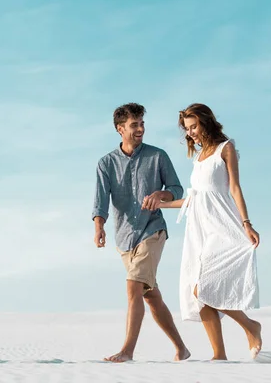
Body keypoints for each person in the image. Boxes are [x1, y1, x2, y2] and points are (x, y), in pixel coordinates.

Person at [146, 103, 262, 360]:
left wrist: (247, 223)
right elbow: (193, 199)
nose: (191, 133)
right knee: (199, 294)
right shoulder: (198, 158)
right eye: (187, 129)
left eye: (194, 126)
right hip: (199, 231)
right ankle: (219, 355)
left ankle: (250, 326)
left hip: (223, 228)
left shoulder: (225, 148)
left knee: (204, 288)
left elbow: (234, 188)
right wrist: (160, 204)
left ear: (207, 122)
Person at [92, 102, 190, 363]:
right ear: (120, 129)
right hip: (124, 238)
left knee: (134, 286)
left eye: (142, 124)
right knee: (152, 297)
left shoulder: (158, 156)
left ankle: (127, 351)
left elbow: (177, 189)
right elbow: (100, 200)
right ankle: (182, 348)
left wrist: (161, 194)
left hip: (152, 230)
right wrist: (99, 227)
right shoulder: (106, 164)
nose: (140, 129)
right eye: (134, 125)